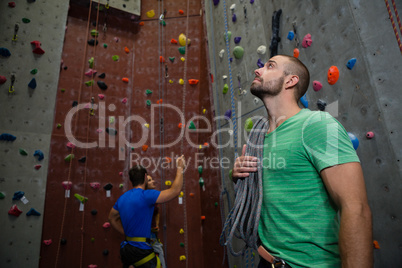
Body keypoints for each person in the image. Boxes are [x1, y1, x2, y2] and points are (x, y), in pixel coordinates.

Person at [232, 55, 373, 267]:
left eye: (270, 66)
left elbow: (355, 207)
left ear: (290, 81)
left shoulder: (317, 124)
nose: (258, 70)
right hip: (267, 260)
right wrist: (239, 175)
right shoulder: (260, 138)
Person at [109, 155, 186, 268]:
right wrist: (180, 168)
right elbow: (175, 191)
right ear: (145, 177)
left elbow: (111, 218)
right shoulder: (146, 196)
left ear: (132, 180)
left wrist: (126, 233)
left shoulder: (122, 198)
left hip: (127, 250)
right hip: (141, 250)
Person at [146, 175, 166, 268]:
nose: (153, 181)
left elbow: (157, 212)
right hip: (144, 237)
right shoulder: (142, 198)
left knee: (160, 262)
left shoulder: (153, 197)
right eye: (150, 180)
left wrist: (156, 225)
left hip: (153, 236)